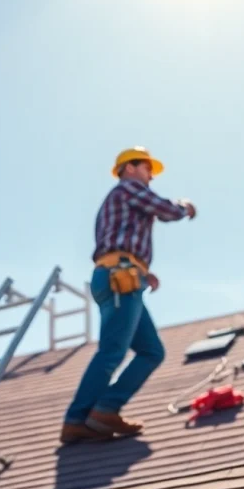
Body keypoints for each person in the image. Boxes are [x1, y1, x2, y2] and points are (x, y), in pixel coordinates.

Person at [60, 146, 196, 444]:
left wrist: (143, 271)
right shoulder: (128, 189)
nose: (150, 176)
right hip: (119, 277)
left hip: (122, 275)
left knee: (152, 351)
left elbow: (117, 241)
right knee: (112, 351)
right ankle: (79, 418)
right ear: (130, 167)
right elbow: (166, 211)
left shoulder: (117, 200)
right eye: (147, 168)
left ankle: (104, 409)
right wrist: (184, 206)